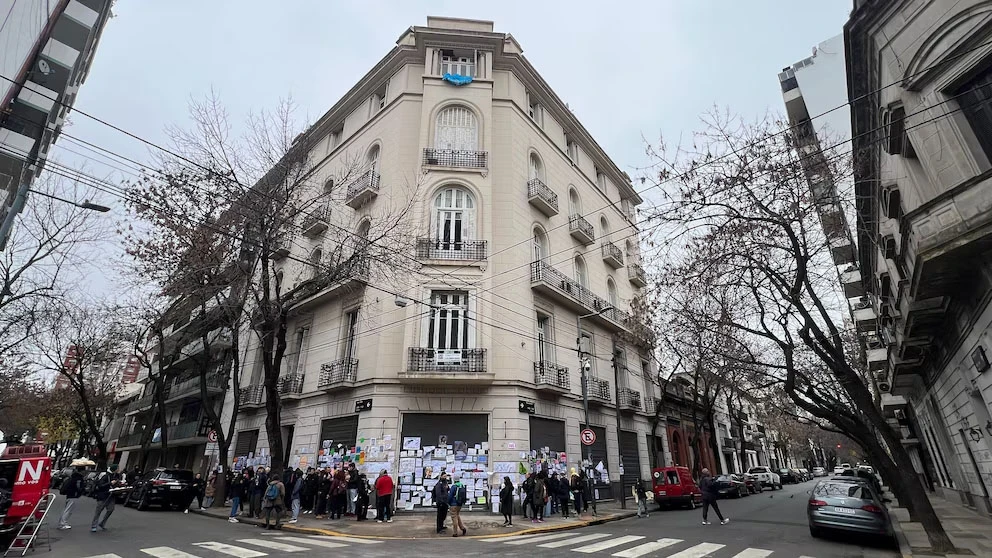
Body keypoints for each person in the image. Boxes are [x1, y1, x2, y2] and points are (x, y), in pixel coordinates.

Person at [90, 464, 122, 532]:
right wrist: (110, 483)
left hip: (111, 496)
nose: (119, 469)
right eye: (118, 468)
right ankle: (94, 525)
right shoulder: (106, 476)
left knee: (111, 509)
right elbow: (101, 485)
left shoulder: (116, 476)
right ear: (115, 469)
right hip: (103, 496)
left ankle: (102, 523)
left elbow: (116, 484)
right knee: (98, 511)